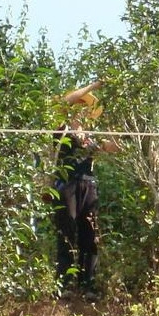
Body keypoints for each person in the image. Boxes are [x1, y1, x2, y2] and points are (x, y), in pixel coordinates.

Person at [52, 80, 119, 299]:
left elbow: (114, 148)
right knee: (66, 234)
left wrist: (114, 130)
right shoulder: (61, 129)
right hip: (66, 185)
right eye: (78, 105)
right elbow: (63, 102)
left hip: (88, 186)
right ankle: (65, 285)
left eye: (85, 107)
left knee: (90, 238)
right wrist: (92, 87)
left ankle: (87, 285)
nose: (81, 110)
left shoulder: (90, 137)